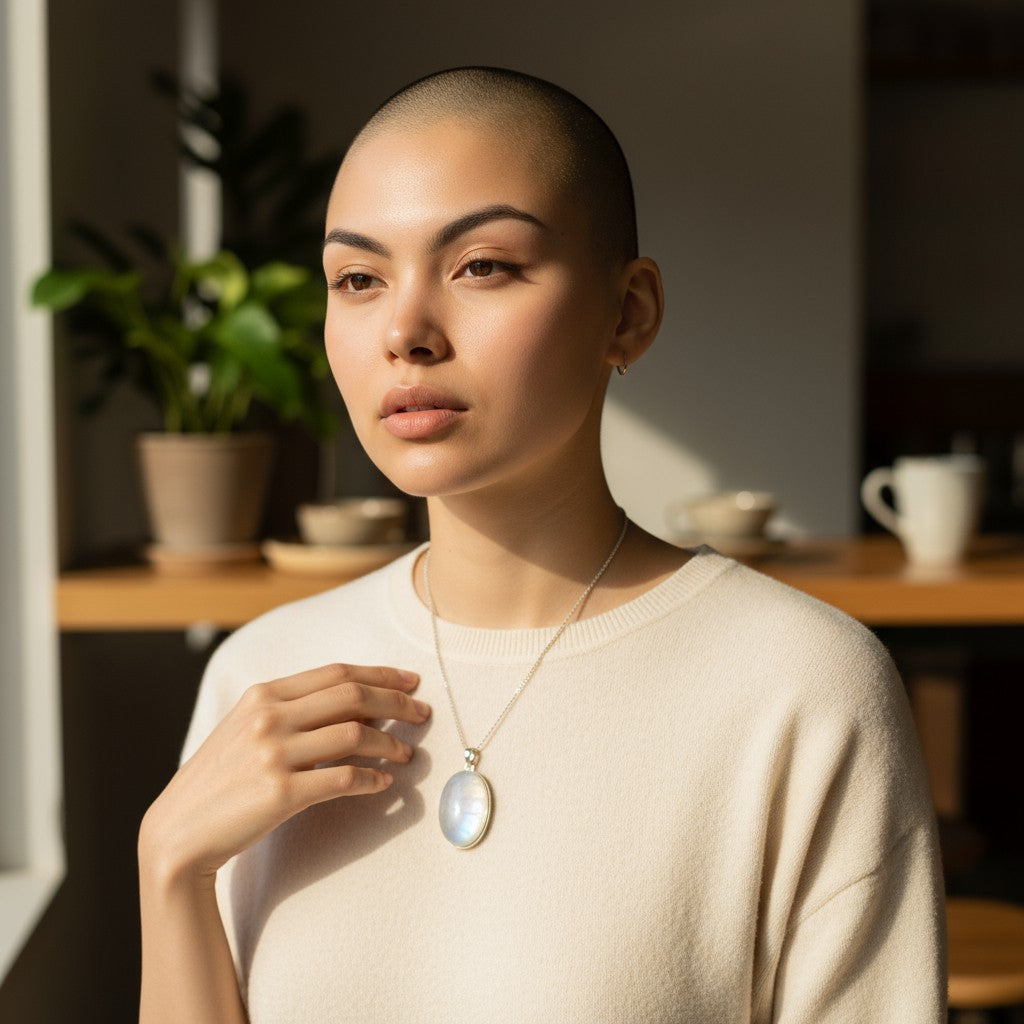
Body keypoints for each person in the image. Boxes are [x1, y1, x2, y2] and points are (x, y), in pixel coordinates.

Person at [138, 67, 945, 1023]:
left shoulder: (800, 686)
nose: (404, 330)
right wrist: (170, 868)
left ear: (628, 313)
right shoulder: (261, 674)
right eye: (358, 278)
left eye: (481, 265)